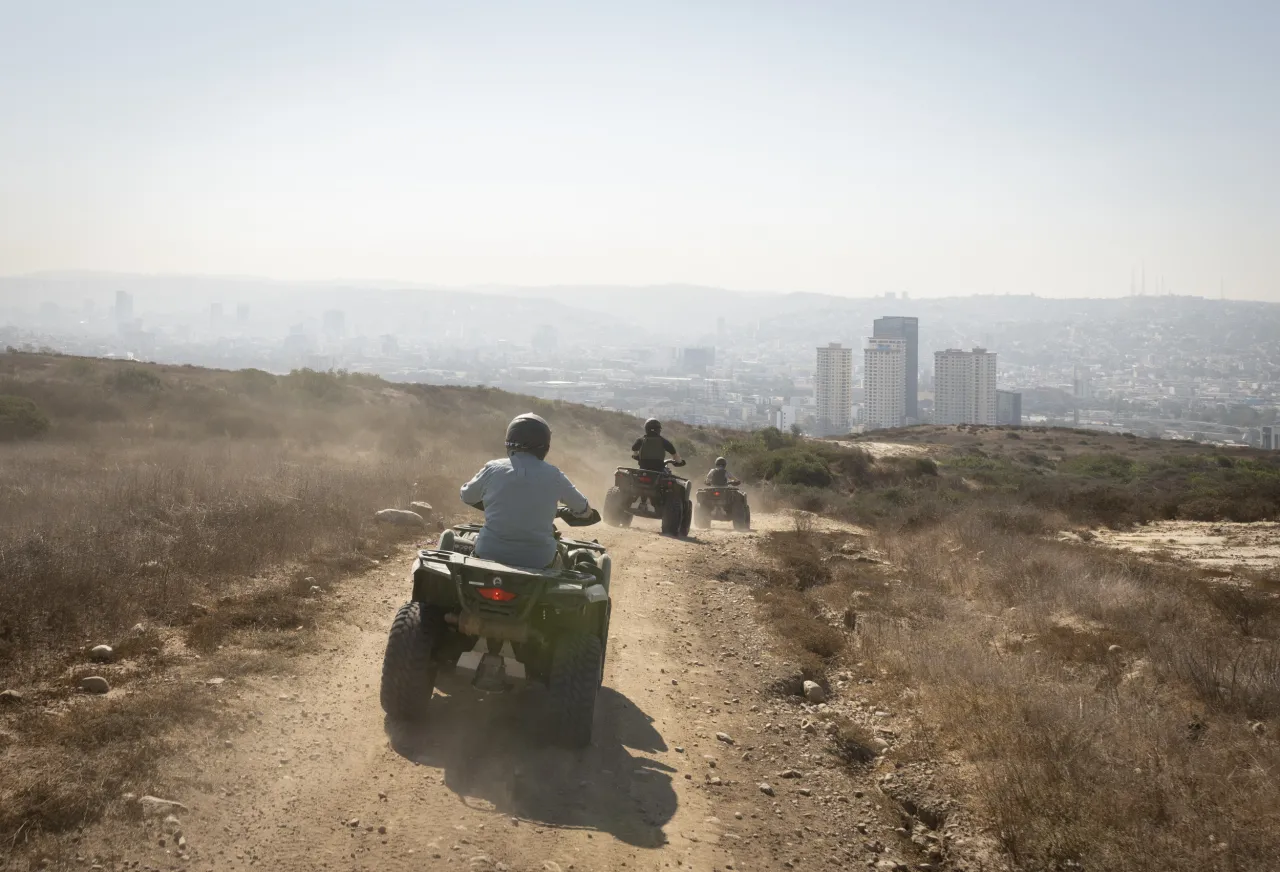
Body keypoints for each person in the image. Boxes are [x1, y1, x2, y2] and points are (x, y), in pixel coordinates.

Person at [460, 413, 594, 569]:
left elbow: (466, 495)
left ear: (509, 440)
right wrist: (584, 513)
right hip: (539, 560)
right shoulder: (554, 475)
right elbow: (583, 509)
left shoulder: (493, 468)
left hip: (489, 553)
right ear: (545, 445)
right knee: (567, 561)